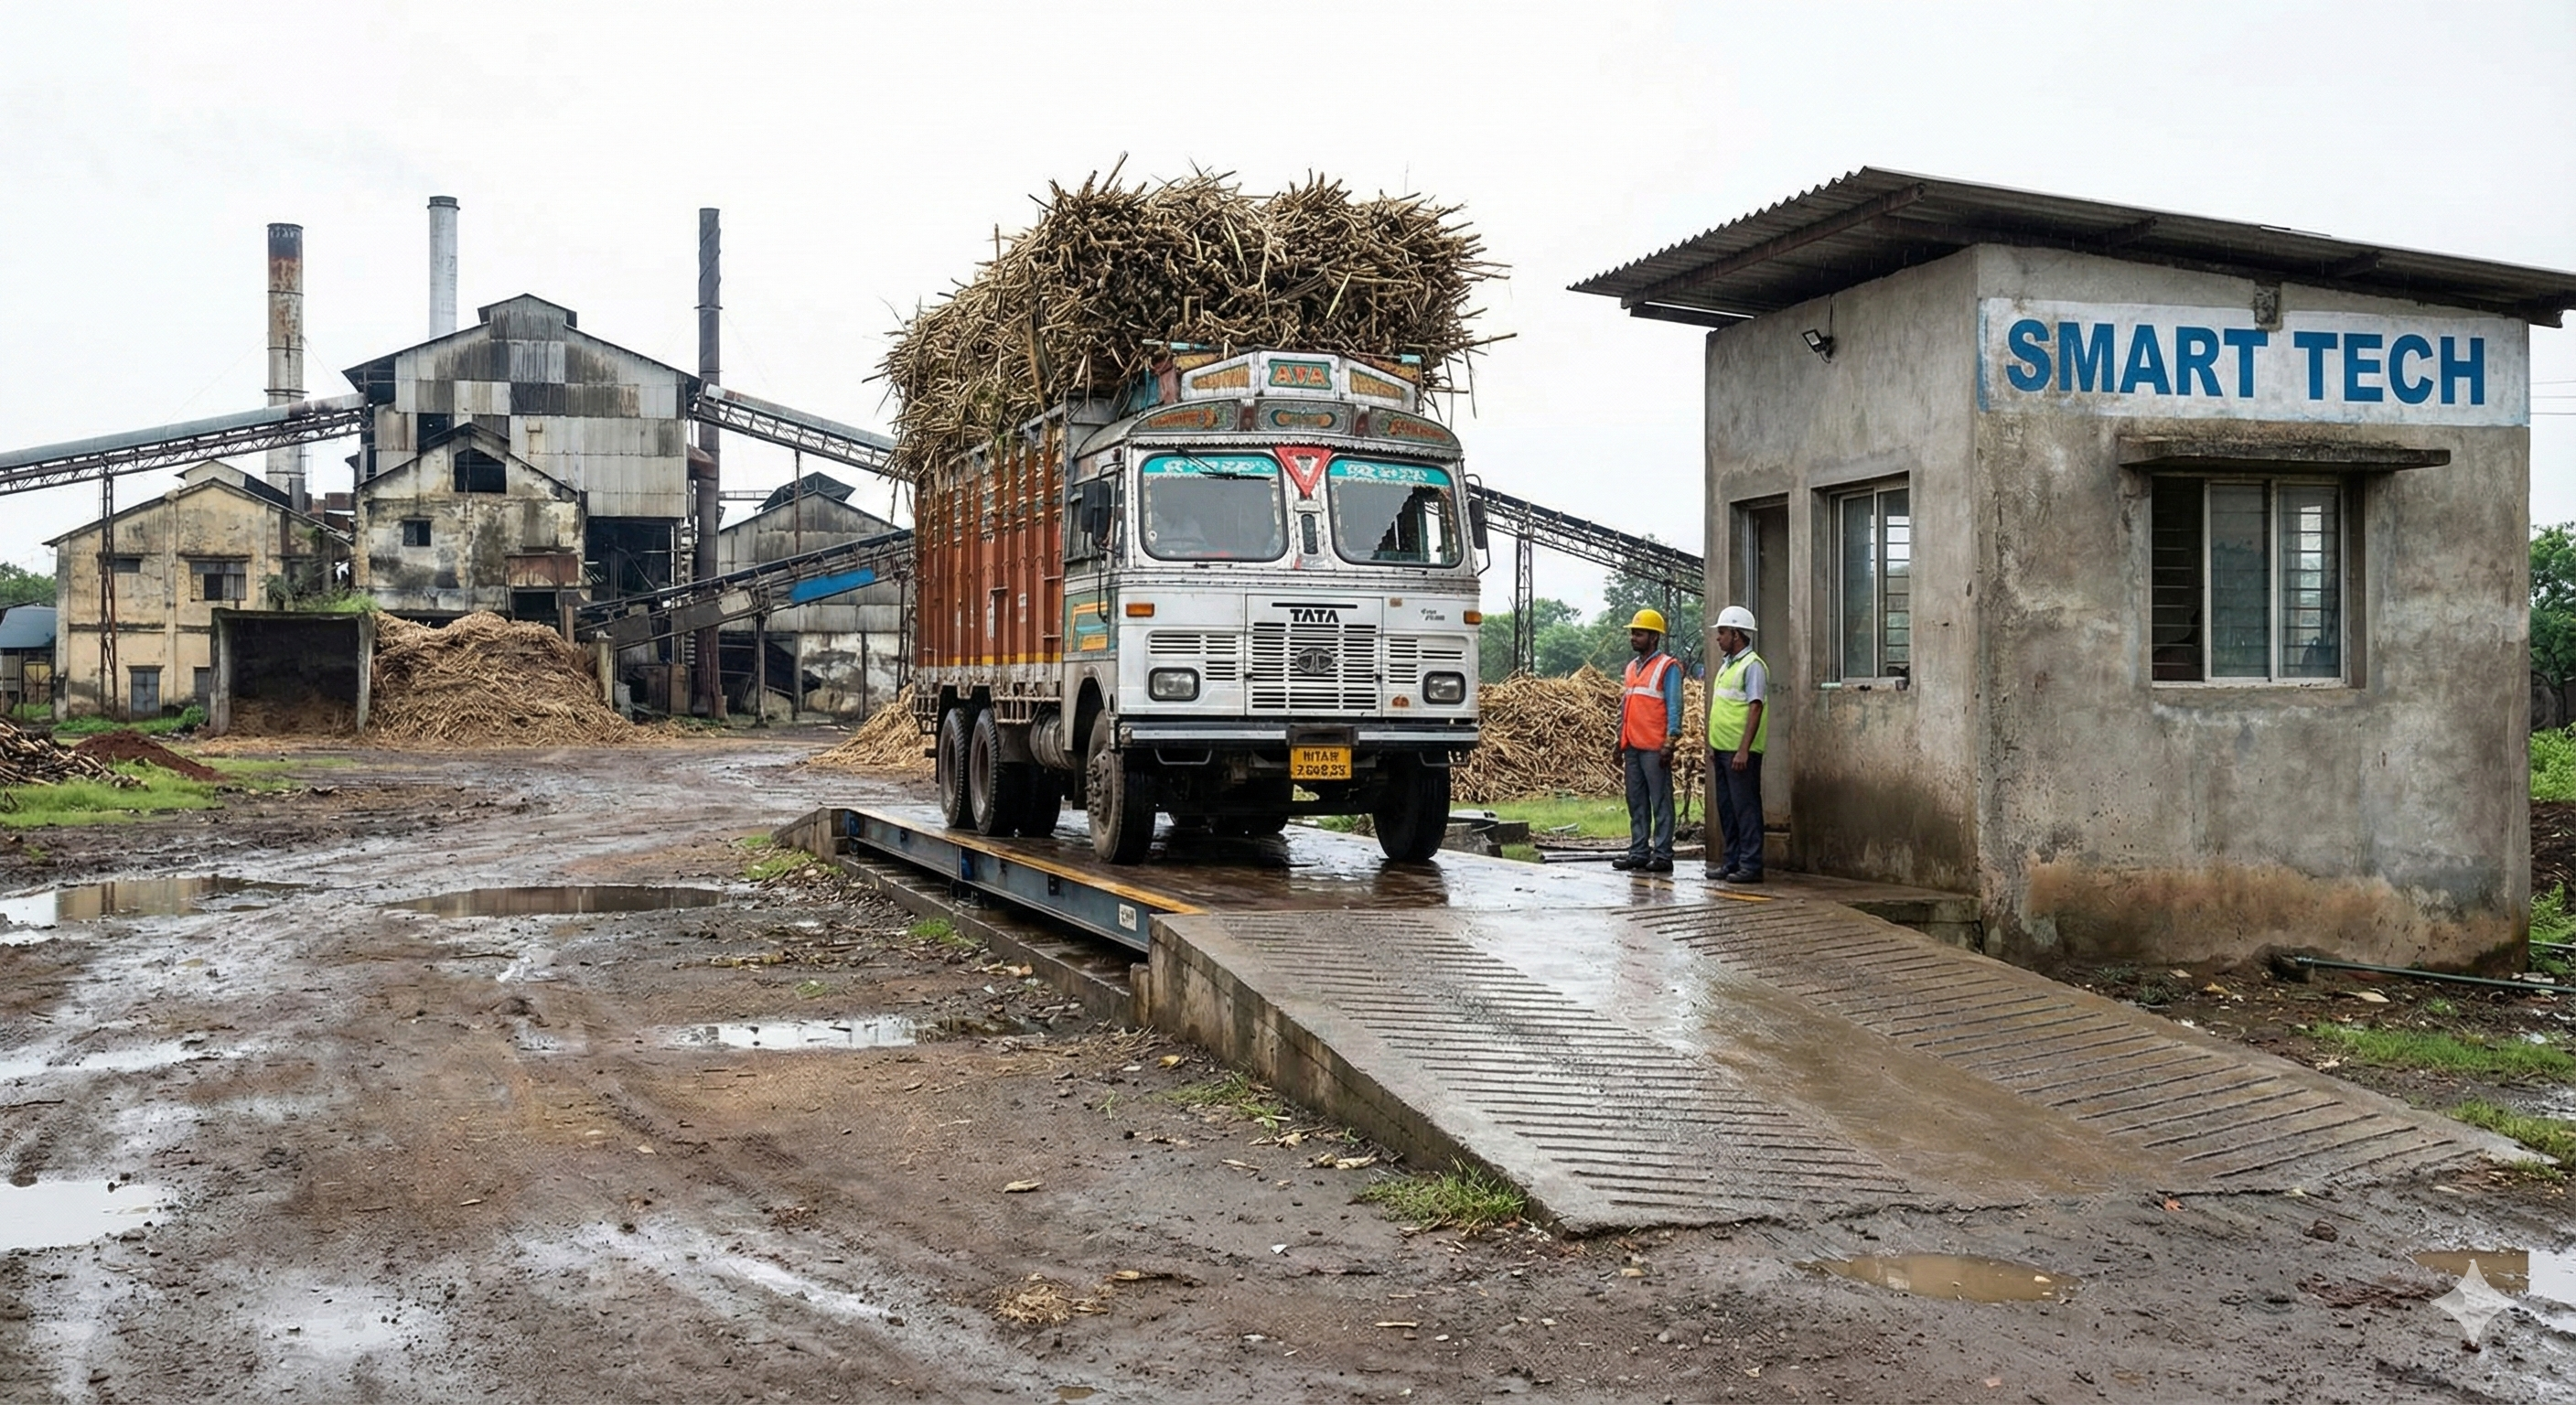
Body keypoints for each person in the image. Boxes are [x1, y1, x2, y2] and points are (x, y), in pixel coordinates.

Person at [1611, 608, 1683, 874]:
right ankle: (1639, 851)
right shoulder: (1631, 668)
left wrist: (1671, 741)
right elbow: (1625, 706)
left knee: (1661, 802)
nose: (1633, 637)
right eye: (1632, 633)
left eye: (1638, 633)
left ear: (1654, 637)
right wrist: (1619, 742)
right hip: (1632, 746)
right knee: (1636, 801)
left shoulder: (1668, 667)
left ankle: (1663, 854)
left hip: (1655, 748)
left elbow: (1675, 706)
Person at [1704, 605, 1768, 883]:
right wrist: (1713, 746)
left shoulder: (1752, 666)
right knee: (1728, 809)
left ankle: (1751, 865)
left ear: (1736, 634)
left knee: (1746, 808)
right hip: (1722, 749)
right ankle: (1731, 862)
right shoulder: (1727, 665)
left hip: (1741, 752)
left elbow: (1756, 708)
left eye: (1722, 632)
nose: (1718, 638)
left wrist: (1744, 748)